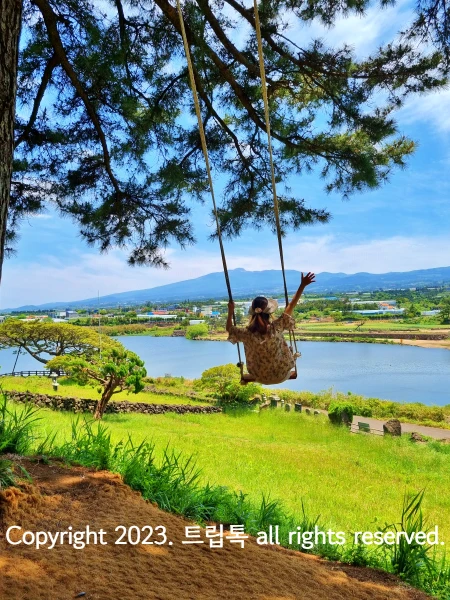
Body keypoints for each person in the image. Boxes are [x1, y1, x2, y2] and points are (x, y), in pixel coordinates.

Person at [226, 272, 315, 385]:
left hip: (260, 377)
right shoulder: (277, 327)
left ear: (252, 313)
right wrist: (302, 285)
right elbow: (291, 305)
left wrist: (230, 311)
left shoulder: (246, 333)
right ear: (270, 312)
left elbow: (229, 328)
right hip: (282, 375)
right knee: (288, 350)